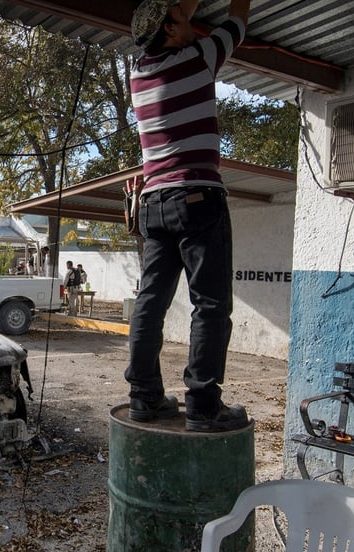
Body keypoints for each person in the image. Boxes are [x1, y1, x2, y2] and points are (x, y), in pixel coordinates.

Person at [124, 0, 250, 432]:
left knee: (150, 301)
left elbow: (174, 15)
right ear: (171, 33)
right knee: (211, 305)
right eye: (182, 20)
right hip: (198, 195)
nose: (191, 21)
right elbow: (238, 20)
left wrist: (171, 14)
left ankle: (144, 397)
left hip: (154, 203)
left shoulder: (137, 74)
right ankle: (202, 406)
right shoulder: (199, 57)